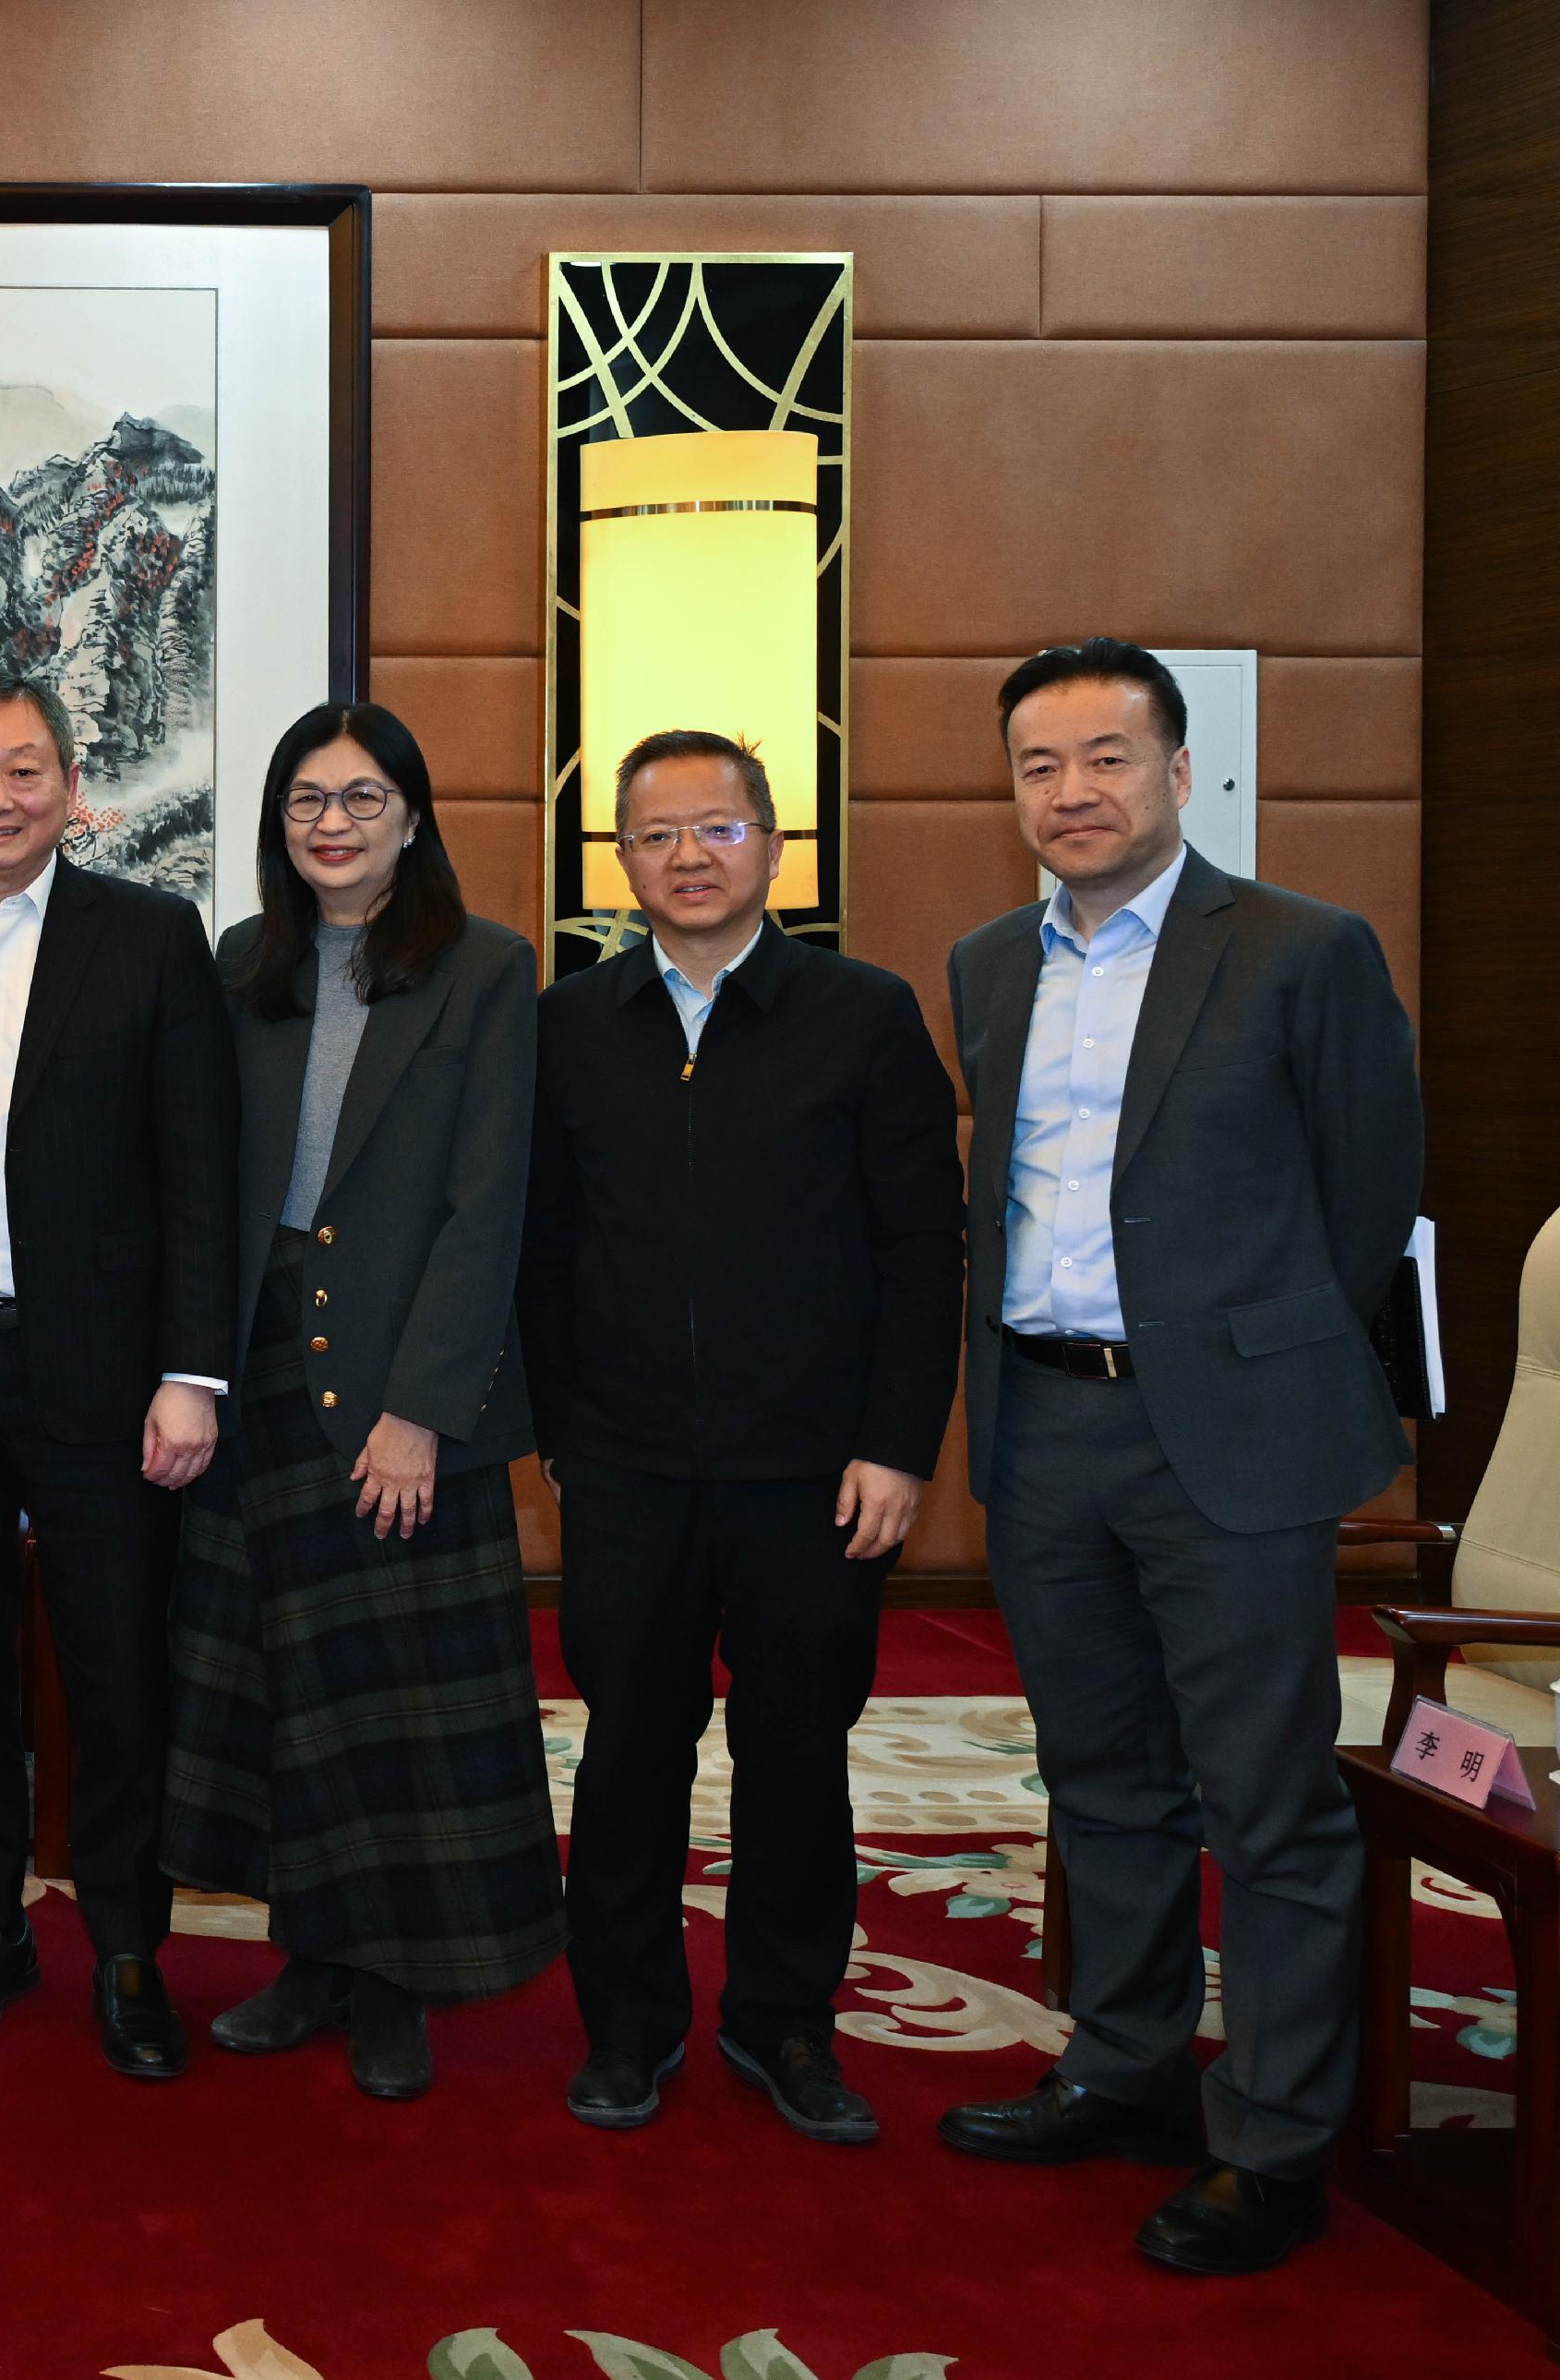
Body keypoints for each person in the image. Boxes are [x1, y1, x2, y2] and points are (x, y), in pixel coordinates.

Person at [935, 639, 1421, 2275]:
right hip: (1044, 1421)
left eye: (1105, 759)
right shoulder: (990, 962)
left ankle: (1277, 2139)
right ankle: (1129, 2066)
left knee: (1266, 1801)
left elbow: (1366, 1201)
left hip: (1228, 1435)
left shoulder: (1299, 951)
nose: (1071, 794)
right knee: (1103, 1782)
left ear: (1178, 770)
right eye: (1039, 768)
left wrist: (1239, 1361)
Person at [521, 728, 964, 2140]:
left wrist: (897, 1444)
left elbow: (922, 1248)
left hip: (813, 1475)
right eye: (656, 835)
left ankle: (786, 2024)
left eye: (717, 828)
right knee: (629, 1751)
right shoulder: (571, 1023)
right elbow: (542, 1247)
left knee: (795, 1754)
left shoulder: (864, 1013)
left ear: (775, 845)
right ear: (622, 863)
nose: (688, 856)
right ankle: (629, 2028)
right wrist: (563, 1434)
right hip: (629, 1467)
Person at [162, 701, 556, 2097]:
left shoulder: (487, 970)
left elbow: (488, 1204)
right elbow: (202, 1175)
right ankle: (312, 1956)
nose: (333, 823)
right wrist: (188, 1367)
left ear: (411, 812)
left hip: (403, 1382)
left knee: (402, 1695)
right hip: (264, 1368)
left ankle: (402, 1978)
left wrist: (423, 1408)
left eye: (362, 797)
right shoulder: (240, 966)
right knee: (289, 1685)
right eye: (306, 802)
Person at [0, 675, 235, 2081]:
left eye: (25, 772)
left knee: (115, 1668)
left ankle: (128, 1946)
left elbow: (200, 1173)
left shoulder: (147, 937)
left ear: (73, 786)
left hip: (108, 1376)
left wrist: (192, 1372)